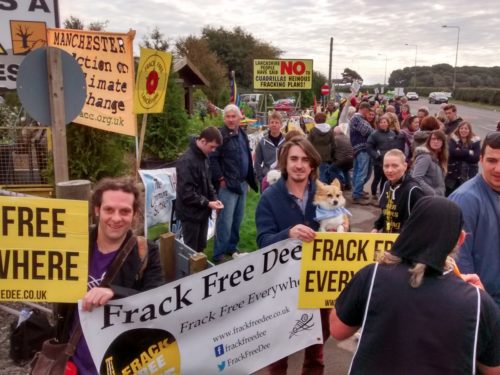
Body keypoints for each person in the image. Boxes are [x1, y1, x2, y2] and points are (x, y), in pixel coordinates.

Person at [330, 196, 500, 374]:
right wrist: (481, 301)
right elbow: (494, 369)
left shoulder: (372, 276)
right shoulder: (477, 302)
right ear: (460, 239)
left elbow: (337, 330)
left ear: (409, 229)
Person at [54, 178, 164, 374]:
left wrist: (114, 293)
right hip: (74, 358)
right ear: (97, 210)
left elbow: (156, 302)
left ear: (134, 214)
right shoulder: (74, 244)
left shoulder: (146, 252)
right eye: (109, 209)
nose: (116, 218)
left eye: (125, 211)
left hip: (121, 360)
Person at [256, 136, 331, 374]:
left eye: (304, 160)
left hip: (317, 283)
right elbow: (262, 242)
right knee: (278, 354)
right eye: (294, 159)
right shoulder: (270, 198)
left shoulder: (324, 193)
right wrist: (288, 233)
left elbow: (340, 226)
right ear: (284, 163)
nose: (299, 165)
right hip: (283, 286)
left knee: (316, 353)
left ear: (312, 165)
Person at [449, 132, 500, 307]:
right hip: (484, 302)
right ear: (481, 160)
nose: (498, 169)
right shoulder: (466, 199)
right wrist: (480, 304)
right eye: (492, 161)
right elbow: (459, 260)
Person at [209, 104, 258, 263]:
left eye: (233, 116)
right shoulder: (220, 135)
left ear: (239, 118)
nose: (230, 119)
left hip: (242, 184)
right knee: (225, 221)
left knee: (237, 219)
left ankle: (232, 247)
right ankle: (219, 254)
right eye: (228, 117)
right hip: (228, 186)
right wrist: (221, 179)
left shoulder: (242, 133)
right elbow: (212, 159)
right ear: (224, 118)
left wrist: (249, 179)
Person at [176, 126, 224, 252]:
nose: (213, 150)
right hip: (190, 215)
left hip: (202, 212)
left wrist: (214, 199)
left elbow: (208, 183)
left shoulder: (204, 157)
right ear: (203, 141)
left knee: (200, 248)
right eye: (212, 147)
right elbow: (187, 193)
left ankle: (201, 271)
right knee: (190, 252)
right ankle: (189, 273)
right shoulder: (186, 161)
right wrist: (208, 203)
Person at [372, 149, 426, 233]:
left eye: (395, 166)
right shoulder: (387, 185)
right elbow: (386, 212)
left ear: (405, 166)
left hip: (404, 242)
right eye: (386, 166)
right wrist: (376, 227)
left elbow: (421, 220)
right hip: (387, 240)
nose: (389, 170)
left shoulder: (413, 190)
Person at [367, 115, 404, 202]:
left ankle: (383, 194)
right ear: (378, 124)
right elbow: (369, 147)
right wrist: (376, 155)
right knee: (377, 178)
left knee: (386, 179)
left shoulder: (392, 133)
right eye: (381, 122)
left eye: (385, 122)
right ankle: (373, 194)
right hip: (378, 161)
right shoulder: (374, 134)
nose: (383, 124)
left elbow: (395, 145)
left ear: (388, 123)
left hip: (389, 161)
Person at [445, 121, 481, 196]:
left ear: (469, 130)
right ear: (458, 129)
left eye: (466, 128)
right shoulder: (453, 140)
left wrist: (459, 153)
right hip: (453, 174)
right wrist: (468, 152)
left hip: (469, 174)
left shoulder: (475, 142)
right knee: (450, 195)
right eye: (461, 128)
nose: (463, 130)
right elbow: (452, 153)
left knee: (466, 196)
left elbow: (476, 158)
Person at [349, 101, 375, 204]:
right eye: (368, 111)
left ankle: (357, 191)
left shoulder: (359, 118)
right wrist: (373, 130)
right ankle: (357, 195)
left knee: (359, 172)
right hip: (361, 148)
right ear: (365, 109)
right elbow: (367, 131)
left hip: (360, 148)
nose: (368, 113)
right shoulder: (357, 118)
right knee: (363, 172)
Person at [254, 111, 285, 191]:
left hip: (284, 179)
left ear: (281, 125)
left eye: (276, 122)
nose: (274, 125)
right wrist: (261, 178)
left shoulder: (287, 141)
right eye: (272, 122)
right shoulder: (262, 142)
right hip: (267, 179)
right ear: (268, 124)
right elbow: (257, 162)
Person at [411, 129, 448, 196]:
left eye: (439, 139)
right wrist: (432, 193)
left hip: (438, 197)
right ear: (429, 141)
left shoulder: (439, 158)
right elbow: (416, 177)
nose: (435, 141)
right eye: (433, 139)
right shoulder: (425, 157)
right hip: (428, 198)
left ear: (443, 142)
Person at [308, 112, 335, 184]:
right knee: (324, 173)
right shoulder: (330, 130)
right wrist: (331, 154)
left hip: (315, 155)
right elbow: (333, 144)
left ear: (316, 120)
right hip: (327, 155)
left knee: (318, 174)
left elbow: (308, 144)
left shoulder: (313, 130)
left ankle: (322, 189)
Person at [330, 126, 353, 190]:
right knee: (345, 170)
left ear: (334, 132)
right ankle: (348, 185)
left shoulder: (335, 139)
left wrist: (331, 158)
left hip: (341, 160)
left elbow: (332, 150)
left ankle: (338, 185)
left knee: (332, 169)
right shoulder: (347, 137)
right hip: (351, 160)